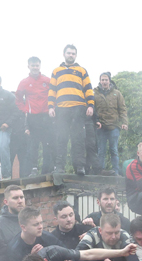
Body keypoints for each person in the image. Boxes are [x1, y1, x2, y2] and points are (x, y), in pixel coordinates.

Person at [49, 44, 95, 175]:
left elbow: (88, 89)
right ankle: (59, 167)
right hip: (61, 109)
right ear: (64, 54)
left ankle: (79, 167)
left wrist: (90, 105)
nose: (71, 55)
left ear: (76, 55)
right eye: (69, 53)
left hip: (78, 108)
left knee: (78, 139)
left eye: (73, 53)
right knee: (61, 138)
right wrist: (51, 107)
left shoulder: (82, 70)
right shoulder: (56, 71)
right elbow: (52, 90)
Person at [17, 56, 54, 176]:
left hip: (46, 117)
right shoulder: (24, 82)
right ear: (28, 66)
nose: (35, 67)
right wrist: (25, 110)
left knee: (47, 144)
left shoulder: (47, 80)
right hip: (33, 118)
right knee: (33, 145)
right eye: (33, 65)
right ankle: (33, 169)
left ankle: (47, 170)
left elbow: (54, 94)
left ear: (40, 66)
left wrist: (52, 108)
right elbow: (18, 99)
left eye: (37, 65)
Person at [94, 72, 128, 175]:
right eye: (102, 80)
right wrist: (95, 121)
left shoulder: (117, 93)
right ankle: (100, 171)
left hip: (114, 126)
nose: (104, 82)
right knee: (101, 150)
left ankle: (116, 171)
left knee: (114, 149)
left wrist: (124, 122)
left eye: (106, 80)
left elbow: (122, 109)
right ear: (100, 81)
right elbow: (92, 109)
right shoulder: (94, 93)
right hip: (101, 126)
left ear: (109, 81)